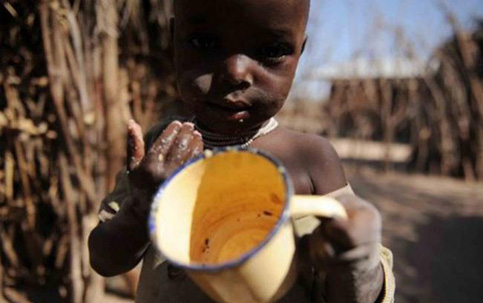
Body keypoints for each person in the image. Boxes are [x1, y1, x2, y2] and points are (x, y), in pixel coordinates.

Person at [88, 0, 395, 302]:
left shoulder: (311, 160)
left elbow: (356, 297)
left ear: (299, 51)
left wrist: (357, 262)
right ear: (174, 39)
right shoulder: (161, 151)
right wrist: (141, 207)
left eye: (271, 50)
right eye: (203, 42)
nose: (235, 73)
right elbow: (104, 259)